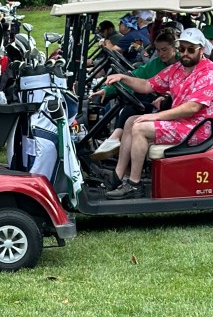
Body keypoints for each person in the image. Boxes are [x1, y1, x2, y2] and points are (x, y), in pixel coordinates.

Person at [104, 27, 213, 199]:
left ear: (201, 49)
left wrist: (155, 116)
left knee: (140, 128)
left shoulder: (208, 72)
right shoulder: (177, 68)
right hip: (180, 123)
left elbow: (192, 108)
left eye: (191, 49)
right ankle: (118, 176)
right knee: (131, 121)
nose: (185, 53)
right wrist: (123, 78)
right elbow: (147, 85)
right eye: (182, 49)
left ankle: (134, 184)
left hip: (196, 128)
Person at [90, 28, 179, 158]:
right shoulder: (156, 63)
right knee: (133, 101)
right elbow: (136, 77)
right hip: (156, 102)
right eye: (158, 50)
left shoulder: (181, 65)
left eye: (164, 50)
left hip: (171, 107)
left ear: (174, 48)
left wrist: (167, 96)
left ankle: (114, 139)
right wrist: (107, 90)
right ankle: (114, 141)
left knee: (134, 109)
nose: (161, 54)